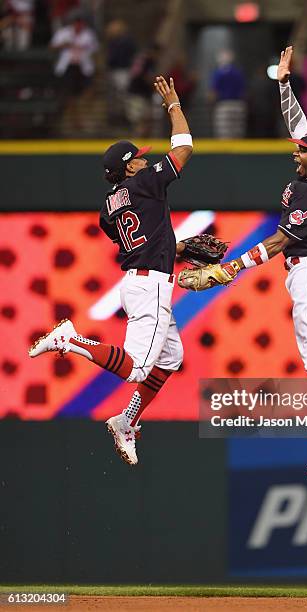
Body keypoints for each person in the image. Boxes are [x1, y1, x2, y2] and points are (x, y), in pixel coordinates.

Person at [185, 47, 307, 477]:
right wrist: (283, 83)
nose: (295, 154)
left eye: (303, 152)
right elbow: (300, 126)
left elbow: (278, 242)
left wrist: (231, 268)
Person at [29, 76, 193, 466]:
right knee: (137, 369)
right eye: (139, 156)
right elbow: (185, 146)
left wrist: (179, 247)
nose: (145, 159)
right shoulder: (147, 183)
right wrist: (173, 105)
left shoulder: (108, 206)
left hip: (137, 280)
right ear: (130, 166)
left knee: (170, 358)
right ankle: (71, 341)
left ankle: (126, 419)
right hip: (149, 286)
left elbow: (142, 240)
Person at [50, 10, 98, 130]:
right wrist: (64, 45)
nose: (79, 25)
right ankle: (75, 121)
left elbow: (95, 49)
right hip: (67, 68)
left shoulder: (88, 34)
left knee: (88, 92)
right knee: (69, 95)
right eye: (77, 22)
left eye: (81, 22)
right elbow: (52, 46)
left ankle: (82, 118)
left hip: (83, 68)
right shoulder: (63, 33)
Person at [209, 49, 246, 139]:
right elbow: (244, 92)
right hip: (238, 105)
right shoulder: (238, 72)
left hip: (223, 105)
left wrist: (211, 105)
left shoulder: (218, 73)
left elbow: (213, 92)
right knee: (238, 134)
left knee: (224, 135)